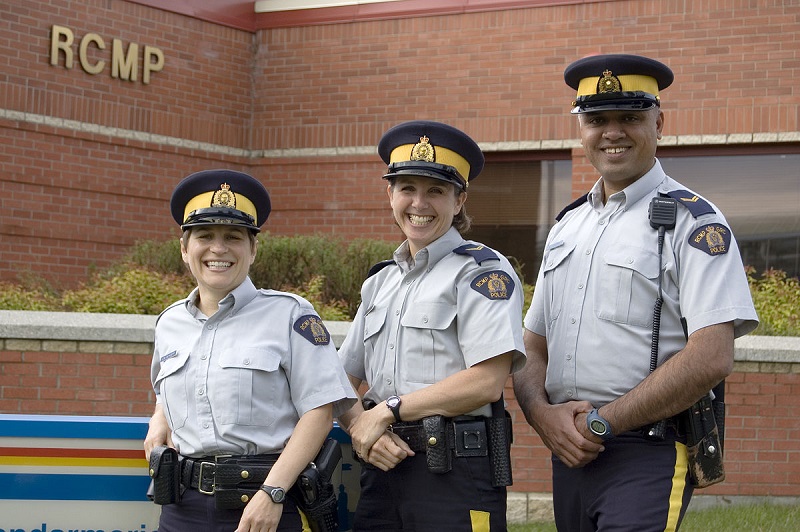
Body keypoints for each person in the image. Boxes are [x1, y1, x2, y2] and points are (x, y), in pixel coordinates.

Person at [513, 54, 759, 531]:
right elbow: (533, 344)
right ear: (581, 130)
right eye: (596, 120)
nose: (612, 132)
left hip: (648, 451)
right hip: (569, 451)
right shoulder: (567, 226)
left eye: (629, 117)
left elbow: (712, 355)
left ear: (659, 123)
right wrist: (542, 415)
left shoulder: (694, 222)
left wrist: (603, 422)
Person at [337, 120, 527, 531]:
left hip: (455, 474)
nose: (419, 203)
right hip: (382, 468)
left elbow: (486, 382)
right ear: (390, 195)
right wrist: (361, 428)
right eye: (407, 188)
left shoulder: (482, 273)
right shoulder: (380, 282)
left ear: (459, 201)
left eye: (436, 191)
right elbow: (340, 380)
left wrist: (387, 410)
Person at [143, 169, 357, 532]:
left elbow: (319, 413)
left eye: (233, 237)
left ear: (253, 249)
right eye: (204, 236)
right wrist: (159, 416)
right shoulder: (170, 323)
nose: (218, 248)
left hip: (264, 505)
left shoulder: (291, 315)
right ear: (184, 249)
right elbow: (168, 389)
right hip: (181, 508)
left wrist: (272, 493)